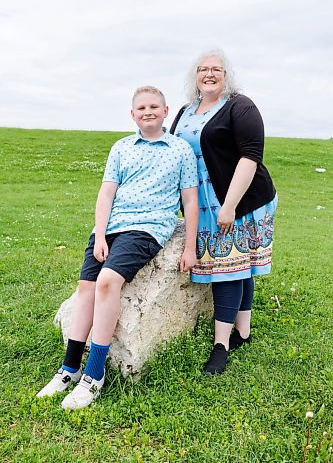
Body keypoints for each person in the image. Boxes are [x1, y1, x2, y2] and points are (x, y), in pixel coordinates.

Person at [37, 86, 198, 408]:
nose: (148, 111)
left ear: (166, 112)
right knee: (86, 287)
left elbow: (190, 200)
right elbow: (106, 194)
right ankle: (69, 367)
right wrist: (99, 235)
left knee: (108, 281)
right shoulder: (122, 147)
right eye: (141, 107)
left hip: (148, 227)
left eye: (154, 106)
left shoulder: (180, 150)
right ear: (132, 114)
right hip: (111, 227)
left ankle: (94, 376)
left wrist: (190, 247)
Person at [170, 49, 277, 375]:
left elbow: (250, 157)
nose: (209, 74)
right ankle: (243, 332)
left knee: (229, 267)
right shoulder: (185, 111)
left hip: (241, 200)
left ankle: (222, 345)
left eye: (216, 69)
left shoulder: (239, 106)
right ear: (195, 76)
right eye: (203, 69)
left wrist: (229, 206)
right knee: (239, 264)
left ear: (226, 75)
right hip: (201, 202)